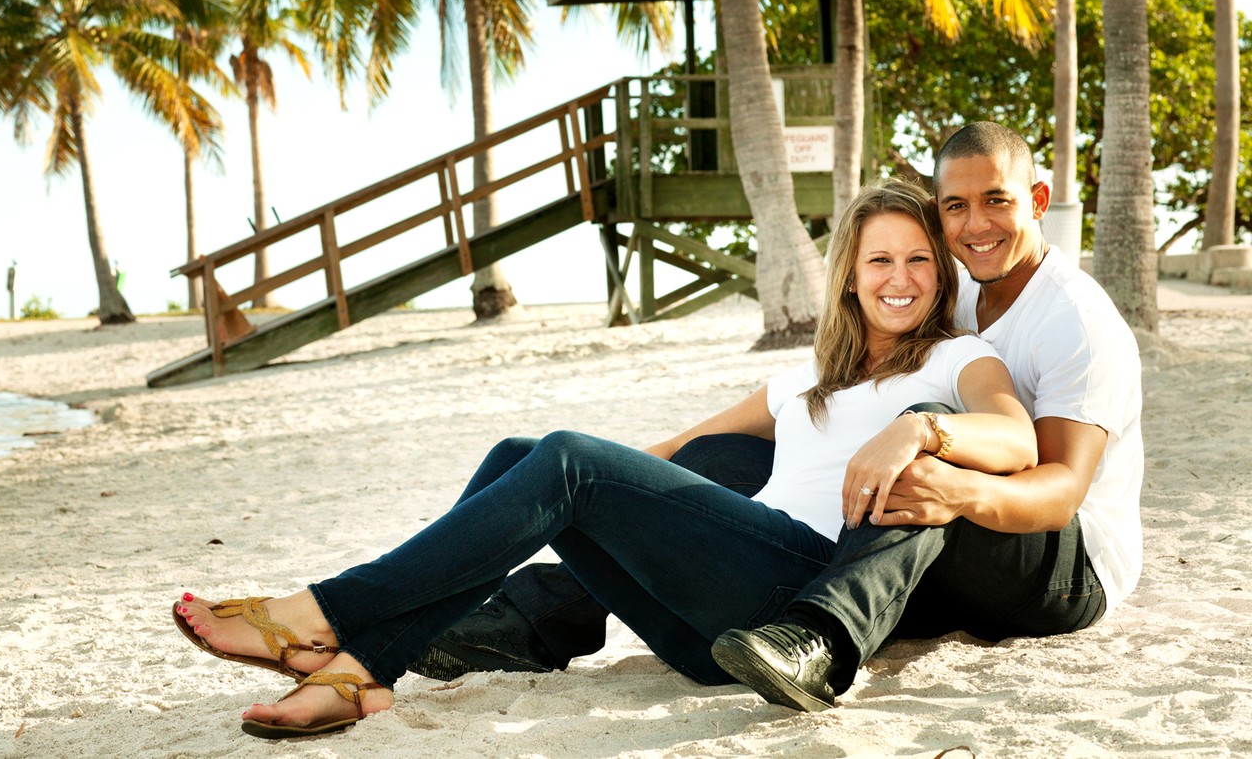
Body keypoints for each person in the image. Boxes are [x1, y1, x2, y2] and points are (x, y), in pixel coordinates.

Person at [173, 180, 1037, 739]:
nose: (900, 277)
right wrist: (583, 490)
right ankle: (364, 669)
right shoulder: (806, 380)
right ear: (849, 274)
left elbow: (1017, 439)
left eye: (918, 259)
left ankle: (322, 614)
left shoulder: (956, 360)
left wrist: (921, 432)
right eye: (880, 258)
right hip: (711, 627)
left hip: (802, 589)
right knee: (524, 456)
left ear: (940, 275)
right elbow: (666, 455)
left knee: (565, 459)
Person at [413, 121, 1144, 713]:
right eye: (956, 206)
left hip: (1063, 564)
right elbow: (722, 435)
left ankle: (820, 637)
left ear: (1038, 200)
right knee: (719, 455)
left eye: (997, 202)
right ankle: (544, 614)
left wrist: (951, 476)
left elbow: (1058, 492)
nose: (976, 224)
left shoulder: (1071, 321)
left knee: (922, 442)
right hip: (943, 531)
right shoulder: (955, 279)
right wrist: (599, 488)